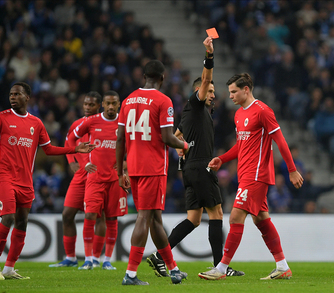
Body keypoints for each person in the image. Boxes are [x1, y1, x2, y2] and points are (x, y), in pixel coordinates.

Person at [146, 36, 244, 278]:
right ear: (199, 92)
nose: (212, 94)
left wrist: (180, 145)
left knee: (193, 219)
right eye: (208, 90)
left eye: (212, 91)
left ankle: (160, 256)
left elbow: (176, 133)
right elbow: (206, 78)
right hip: (201, 167)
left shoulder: (192, 114)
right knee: (217, 214)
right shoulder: (197, 104)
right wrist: (209, 55)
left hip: (189, 169)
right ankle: (220, 266)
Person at [0, 82, 94, 280]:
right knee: (8, 218)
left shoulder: (36, 123)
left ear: (27, 97)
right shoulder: (0, 118)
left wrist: (75, 149)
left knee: (22, 222)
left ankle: (9, 268)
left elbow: (49, 149)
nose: (12, 97)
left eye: (17, 94)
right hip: (4, 176)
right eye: (11, 94)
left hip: (25, 181)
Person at [198, 73, 303, 281]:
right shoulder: (238, 115)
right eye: (229, 93)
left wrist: (292, 169)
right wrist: (222, 158)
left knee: (236, 216)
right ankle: (283, 266)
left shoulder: (263, 111)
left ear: (246, 89)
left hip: (257, 174)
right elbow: (241, 145)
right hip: (245, 174)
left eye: (234, 92)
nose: (230, 96)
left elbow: (280, 141)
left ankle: (221, 268)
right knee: (261, 219)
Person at [116, 60, 189, 285]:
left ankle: (173, 269)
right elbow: (167, 137)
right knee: (144, 217)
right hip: (153, 168)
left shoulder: (128, 100)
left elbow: (119, 138)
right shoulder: (163, 100)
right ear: (163, 77)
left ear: (144, 76)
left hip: (135, 167)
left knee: (155, 218)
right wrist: (186, 146)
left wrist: (120, 172)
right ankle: (130, 274)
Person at [68, 91, 128, 270]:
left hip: (115, 180)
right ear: (103, 104)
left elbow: (134, 147)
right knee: (89, 215)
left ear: (119, 105)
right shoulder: (92, 121)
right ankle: (88, 259)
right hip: (95, 179)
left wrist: (125, 166)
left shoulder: (124, 123)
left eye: (114, 103)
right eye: (107, 103)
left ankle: (106, 260)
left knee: (112, 218)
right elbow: (72, 137)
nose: (110, 107)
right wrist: (82, 159)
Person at [49, 91, 108, 268]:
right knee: (67, 215)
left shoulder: (105, 124)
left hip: (98, 175)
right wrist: (71, 161)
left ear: (99, 106)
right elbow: (69, 142)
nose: (87, 108)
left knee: (99, 217)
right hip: (81, 175)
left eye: (91, 105)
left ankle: (95, 258)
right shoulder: (78, 124)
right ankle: (71, 258)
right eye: (85, 104)